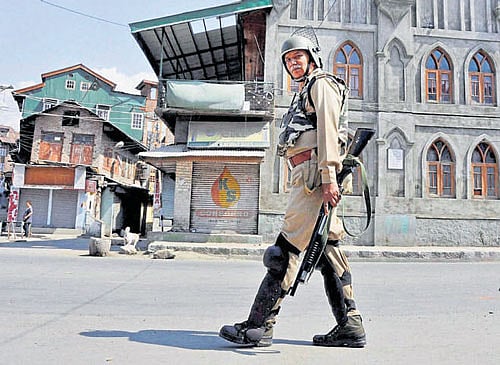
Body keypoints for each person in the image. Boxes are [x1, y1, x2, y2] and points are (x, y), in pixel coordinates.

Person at [219, 34, 366, 348]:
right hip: (309, 177)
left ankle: (259, 326)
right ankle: (350, 326)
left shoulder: (321, 84)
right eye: (288, 60)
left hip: (315, 179)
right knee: (329, 252)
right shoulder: (306, 89)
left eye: (298, 57)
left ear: (312, 57)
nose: (293, 63)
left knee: (284, 250)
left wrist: (328, 178)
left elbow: (327, 131)